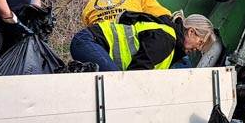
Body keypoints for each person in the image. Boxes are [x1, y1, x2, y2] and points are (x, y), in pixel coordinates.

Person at [69, 14, 215, 71]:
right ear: (191, 32)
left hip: (90, 43)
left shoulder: (170, 43)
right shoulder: (166, 39)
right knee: (115, 84)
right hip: (89, 42)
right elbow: (137, 73)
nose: (198, 48)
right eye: (200, 42)